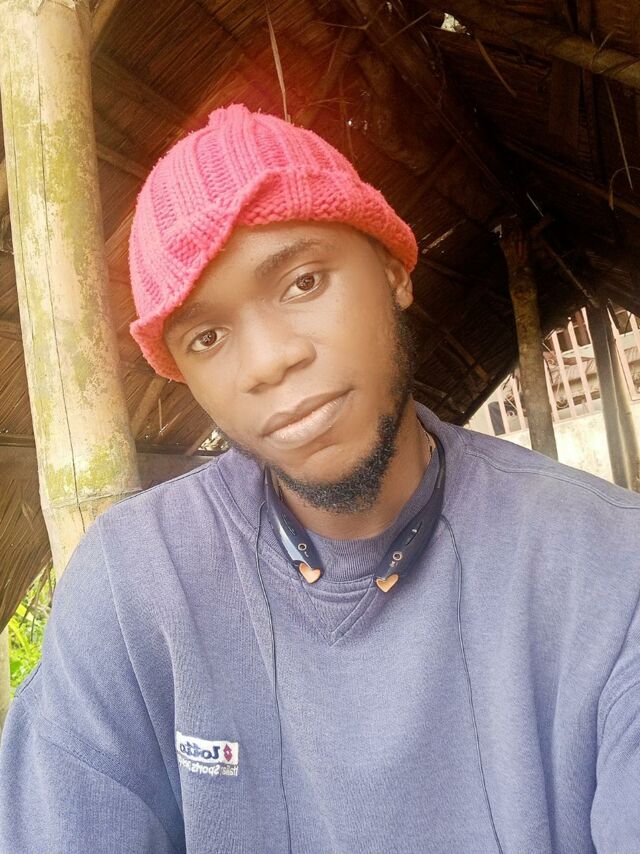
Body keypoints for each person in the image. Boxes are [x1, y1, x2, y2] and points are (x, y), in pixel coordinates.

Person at [1, 104, 639, 854]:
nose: (270, 360)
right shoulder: (137, 584)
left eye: (303, 282)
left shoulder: (605, 566)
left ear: (394, 270)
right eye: (207, 336)